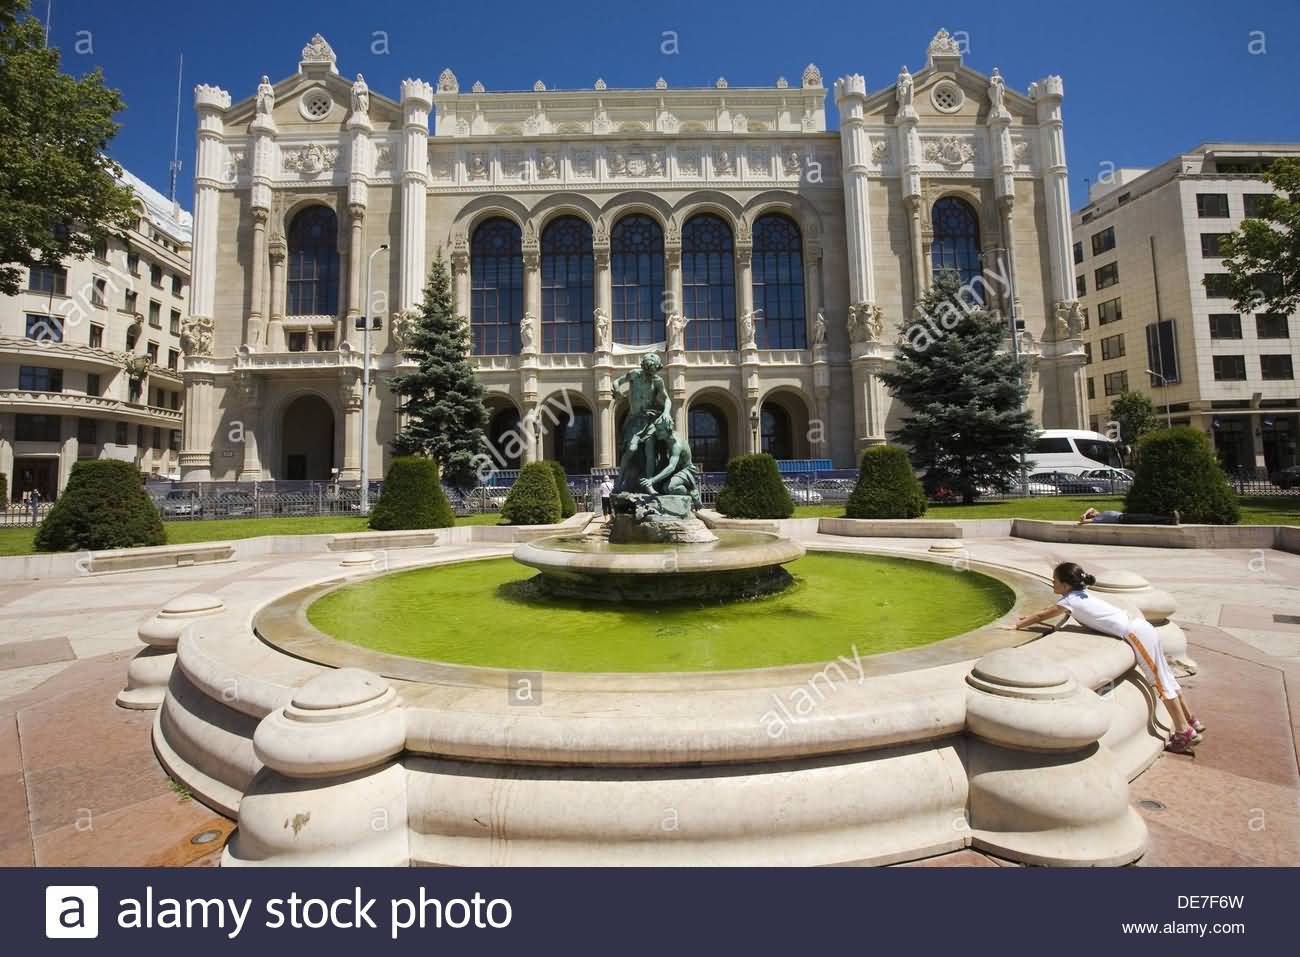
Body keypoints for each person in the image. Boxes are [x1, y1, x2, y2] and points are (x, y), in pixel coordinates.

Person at [1007, 561, 1206, 754]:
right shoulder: (1082, 595)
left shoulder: (1069, 601)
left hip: (1136, 635)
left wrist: (1016, 626)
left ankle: (1183, 732)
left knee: (1161, 683)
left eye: (1055, 581)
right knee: (1166, 677)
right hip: (1142, 629)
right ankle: (1191, 721)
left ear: (1066, 585)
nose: (1052, 583)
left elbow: (1043, 615)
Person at [1079, 507, 1180, 526]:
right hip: (1124, 519)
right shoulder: (1097, 519)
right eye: (1093, 512)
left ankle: (1170, 520)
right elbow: (1083, 522)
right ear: (1091, 515)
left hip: (1125, 516)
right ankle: (1170, 520)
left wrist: (1084, 513)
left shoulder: (1099, 514)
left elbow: (1091, 508)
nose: (1095, 510)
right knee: (1148, 519)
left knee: (1148, 517)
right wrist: (1085, 517)